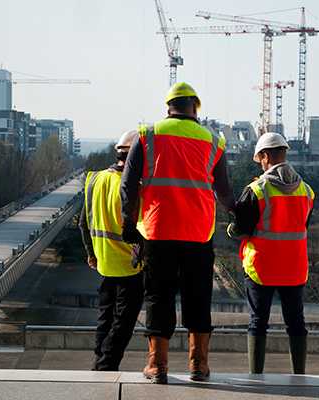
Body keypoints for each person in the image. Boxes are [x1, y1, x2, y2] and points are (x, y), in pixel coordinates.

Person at [120, 82, 236, 384]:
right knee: (198, 295)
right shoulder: (213, 140)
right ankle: (199, 365)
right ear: (195, 108)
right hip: (198, 232)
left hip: (158, 230)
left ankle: (157, 366)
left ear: (168, 108)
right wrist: (239, 211)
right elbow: (223, 192)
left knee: (159, 295)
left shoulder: (148, 134)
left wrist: (128, 224)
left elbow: (128, 186)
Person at [227, 133, 314, 375]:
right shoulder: (306, 191)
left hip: (262, 268)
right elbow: (302, 226)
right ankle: (300, 375)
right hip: (294, 268)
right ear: (284, 154)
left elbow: (242, 229)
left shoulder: (257, 189)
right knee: (296, 323)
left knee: (258, 323)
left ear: (265, 156)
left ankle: (256, 377)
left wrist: (230, 228)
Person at [79, 129, 144, 371]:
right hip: (131, 266)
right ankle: (106, 364)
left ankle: (99, 360)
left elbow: (84, 222)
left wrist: (91, 253)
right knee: (124, 322)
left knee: (105, 317)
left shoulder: (94, 180)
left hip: (104, 264)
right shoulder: (135, 186)